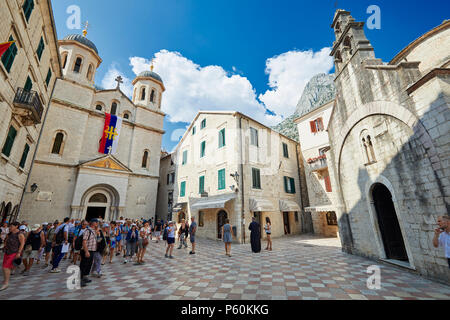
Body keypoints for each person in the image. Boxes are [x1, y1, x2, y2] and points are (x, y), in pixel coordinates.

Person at [1, 222, 25, 291]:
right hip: (7, 252)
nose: (9, 227)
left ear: (16, 226)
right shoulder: (10, 234)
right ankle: (6, 280)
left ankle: (6, 283)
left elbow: (22, 244)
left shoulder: (20, 234)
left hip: (14, 253)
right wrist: (4, 245)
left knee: (5, 267)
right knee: (5, 267)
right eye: (9, 226)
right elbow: (6, 241)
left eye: (11, 226)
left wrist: (19, 253)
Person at [80, 219, 97, 287]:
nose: (97, 223)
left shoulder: (93, 231)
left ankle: (85, 277)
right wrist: (86, 251)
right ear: (93, 223)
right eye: (96, 222)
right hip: (87, 250)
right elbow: (84, 241)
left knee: (89, 265)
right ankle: (80, 280)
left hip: (92, 250)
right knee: (83, 265)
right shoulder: (87, 231)